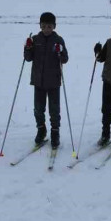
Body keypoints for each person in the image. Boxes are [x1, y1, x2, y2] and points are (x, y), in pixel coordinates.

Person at [24, 12, 69, 149]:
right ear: (40, 26)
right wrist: (28, 47)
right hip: (38, 81)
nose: (46, 29)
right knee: (38, 109)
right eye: (43, 26)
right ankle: (41, 129)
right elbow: (28, 58)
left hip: (54, 81)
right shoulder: (36, 39)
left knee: (54, 110)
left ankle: (55, 132)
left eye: (49, 26)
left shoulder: (58, 40)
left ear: (54, 26)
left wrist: (60, 52)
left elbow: (65, 59)